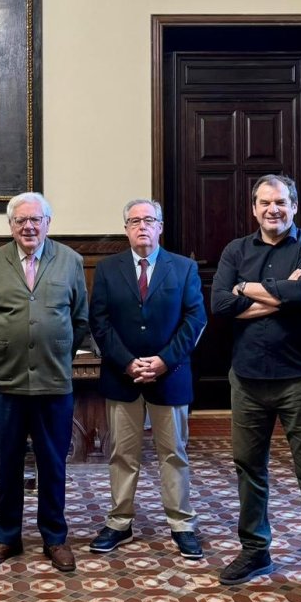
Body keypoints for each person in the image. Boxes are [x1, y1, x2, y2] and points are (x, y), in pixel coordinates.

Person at [211, 174, 301, 602]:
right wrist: (278, 297)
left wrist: (245, 289)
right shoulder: (236, 250)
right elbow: (220, 305)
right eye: (265, 203)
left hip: (300, 379)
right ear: (254, 208)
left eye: (281, 202)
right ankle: (255, 550)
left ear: (294, 206)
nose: (273, 209)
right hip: (247, 379)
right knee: (249, 470)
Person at [0, 192, 88, 572]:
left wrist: (55, 351)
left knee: (53, 464)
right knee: (6, 464)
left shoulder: (71, 261)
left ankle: (54, 538)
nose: (28, 226)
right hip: (5, 384)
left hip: (53, 383)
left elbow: (80, 319)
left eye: (35, 220)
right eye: (20, 220)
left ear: (47, 223)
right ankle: (7, 537)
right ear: (10, 225)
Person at [88, 198, 207, 558]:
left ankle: (182, 524)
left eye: (149, 220)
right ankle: (119, 522)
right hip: (122, 377)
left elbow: (195, 320)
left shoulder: (183, 268)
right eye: (134, 221)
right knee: (122, 454)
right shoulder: (108, 269)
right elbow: (99, 322)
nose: (142, 226)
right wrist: (127, 363)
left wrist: (164, 361)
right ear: (125, 228)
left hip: (170, 377)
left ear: (160, 227)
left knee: (174, 454)